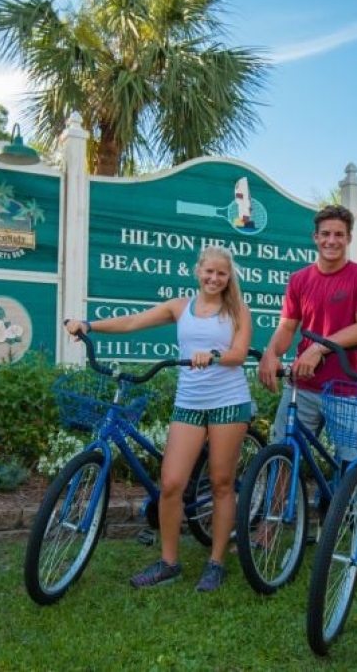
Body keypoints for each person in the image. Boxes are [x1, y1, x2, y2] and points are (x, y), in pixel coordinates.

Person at [65, 245, 252, 592]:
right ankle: (169, 563)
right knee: (171, 483)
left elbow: (239, 353)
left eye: (221, 274)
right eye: (208, 272)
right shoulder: (181, 307)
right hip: (189, 403)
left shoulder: (238, 309)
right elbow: (134, 321)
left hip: (228, 401)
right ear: (198, 271)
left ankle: (216, 563)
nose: (214, 278)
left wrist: (214, 355)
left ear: (229, 277)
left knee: (222, 482)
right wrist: (89, 325)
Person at [258, 204, 357, 585]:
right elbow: (288, 327)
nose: (332, 240)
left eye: (339, 234)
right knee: (282, 458)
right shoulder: (300, 279)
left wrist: (319, 347)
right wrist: (271, 353)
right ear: (315, 238)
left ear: (348, 238)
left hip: (346, 389)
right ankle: (269, 530)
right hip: (301, 388)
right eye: (326, 234)